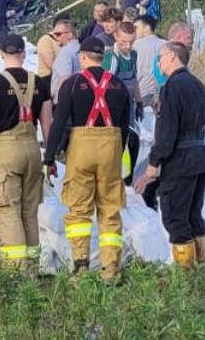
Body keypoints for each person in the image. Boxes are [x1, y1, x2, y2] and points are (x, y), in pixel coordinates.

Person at [45, 36, 138, 281]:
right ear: (103, 58)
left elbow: (58, 123)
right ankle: (110, 269)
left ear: (83, 56)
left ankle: (81, 266)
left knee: (79, 209)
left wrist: (50, 157)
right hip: (111, 146)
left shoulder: (73, 84)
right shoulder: (119, 85)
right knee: (109, 209)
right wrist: (118, 154)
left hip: (82, 147)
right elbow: (125, 127)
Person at [0, 34, 50, 272]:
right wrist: (49, 156)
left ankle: (16, 270)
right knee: (29, 212)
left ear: (2, 54)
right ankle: (32, 268)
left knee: (8, 210)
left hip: (6, 150)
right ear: (24, 54)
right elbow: (48, 124)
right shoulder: (39, 82)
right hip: (32, 149)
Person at [135, 42, 205, 271]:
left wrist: (154, 163)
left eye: (159, 58)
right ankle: (200, 268)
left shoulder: (171, 87)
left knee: (175, 217)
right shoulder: (198, 86)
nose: (158, 64)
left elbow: (167, 131)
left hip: (179, 160)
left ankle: (185, 275)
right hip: (199, 156)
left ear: (171, 57)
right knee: (193, 216)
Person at [133, 15, 165, 108]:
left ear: (147, 27)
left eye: (136, 27)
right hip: (161, 93)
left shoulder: (134, 46)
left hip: (141, 94)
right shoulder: (166, 44)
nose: (134, 31)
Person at [106, 23, 139, 91]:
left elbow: (134, 80)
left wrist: (139, 101)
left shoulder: (133, 53)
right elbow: (106, 86)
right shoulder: (111, 56)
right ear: (115, 36)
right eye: (124, 41)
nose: (128, 46)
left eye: (131, 42)